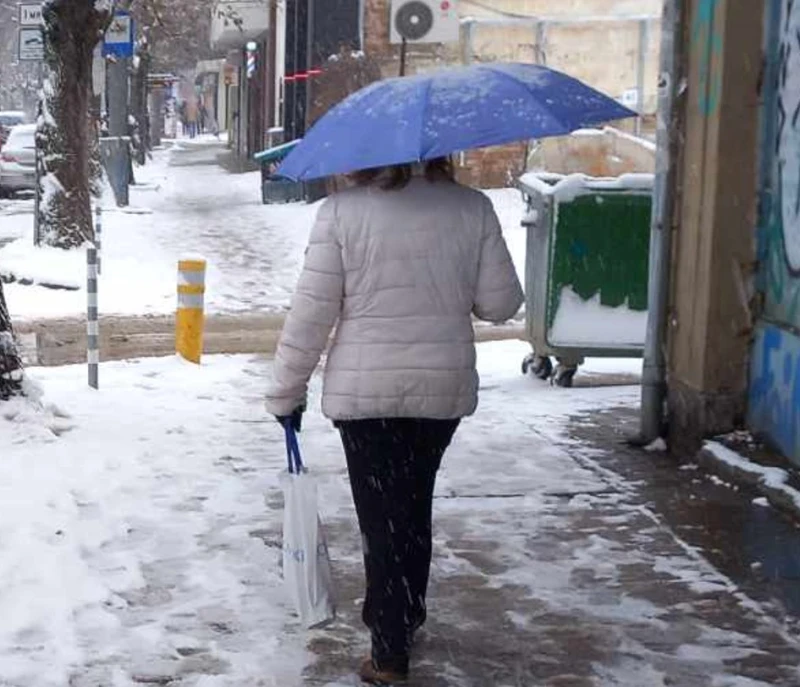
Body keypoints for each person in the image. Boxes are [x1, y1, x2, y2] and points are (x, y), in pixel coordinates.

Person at [265, 158, 523, 685]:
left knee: (381, 518)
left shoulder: (341, 214)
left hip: (367, 398)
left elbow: (311, 314)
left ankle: (389, 649)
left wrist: (286, 391)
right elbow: (500, 305)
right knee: (412, 506)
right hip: (439, 394)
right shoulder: (472, 208)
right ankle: (403, 616)